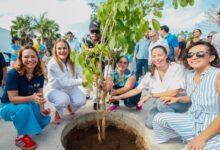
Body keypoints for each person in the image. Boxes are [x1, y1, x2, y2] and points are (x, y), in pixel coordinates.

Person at [153, 41, 220, 150]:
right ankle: (190, 137)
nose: (193, 57)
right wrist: (177, 98)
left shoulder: (217, 75)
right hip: (192, 119)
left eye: (200, 54)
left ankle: (200, 140)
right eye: (190, 54)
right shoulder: (190, 75)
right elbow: (192, 96)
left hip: (214, 126)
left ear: (211, 57)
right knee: (158, 119)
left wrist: (202, 138)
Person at [109, 45, 190, 128]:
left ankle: (177, 125)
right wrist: (118, 97)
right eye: (154, 56)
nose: (157, 58)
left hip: (180, 102)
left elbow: (174, 92)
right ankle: (165, 119)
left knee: (161, 103)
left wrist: (150, 95)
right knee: (149, 124)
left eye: (160, 55)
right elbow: (137, 90)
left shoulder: (177, 68)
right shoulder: (151, 73)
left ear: (166, 55)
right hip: (162, 103)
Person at [0, 46, 51, 150]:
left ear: (37, 58)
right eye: (26, 56)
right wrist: (32, 97)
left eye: (33, 56)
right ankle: (20, 137)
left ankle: (31, 125)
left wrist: (42, 109)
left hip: (25, 103)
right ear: (20, 58)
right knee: (26, 108)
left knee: (39, 117)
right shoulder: (13, 73)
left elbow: (40, 94)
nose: (30, 59)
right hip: (7, 106)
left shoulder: (39, 74)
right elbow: (13, 99)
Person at [45, 39, 87, 124]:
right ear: (55, 50)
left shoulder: (73, 59)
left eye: (64, 48)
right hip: (56, 89)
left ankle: (69, 106)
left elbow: (80, 72)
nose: (62, 51)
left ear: (68, 49)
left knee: (81, 101)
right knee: (63, 100)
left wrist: (87, 78)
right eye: (59, 48)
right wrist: (81, 81)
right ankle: (57, 110)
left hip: (71, 88)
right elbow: (64, 82)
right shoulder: (52, 64)